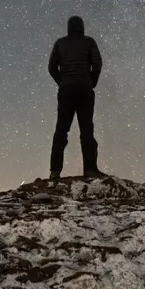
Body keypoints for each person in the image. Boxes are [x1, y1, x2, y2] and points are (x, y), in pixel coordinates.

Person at [47, 15, 109, 179]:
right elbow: (97, 63)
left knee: (61, 130)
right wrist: (92, 81)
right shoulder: (89, 42)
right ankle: (89, 169)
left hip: (66, 91)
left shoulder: (60, 43)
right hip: (84, 90)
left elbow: (51, 66)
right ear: (82, 27)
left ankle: (55, 171)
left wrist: (62, 81)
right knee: (86, 129)